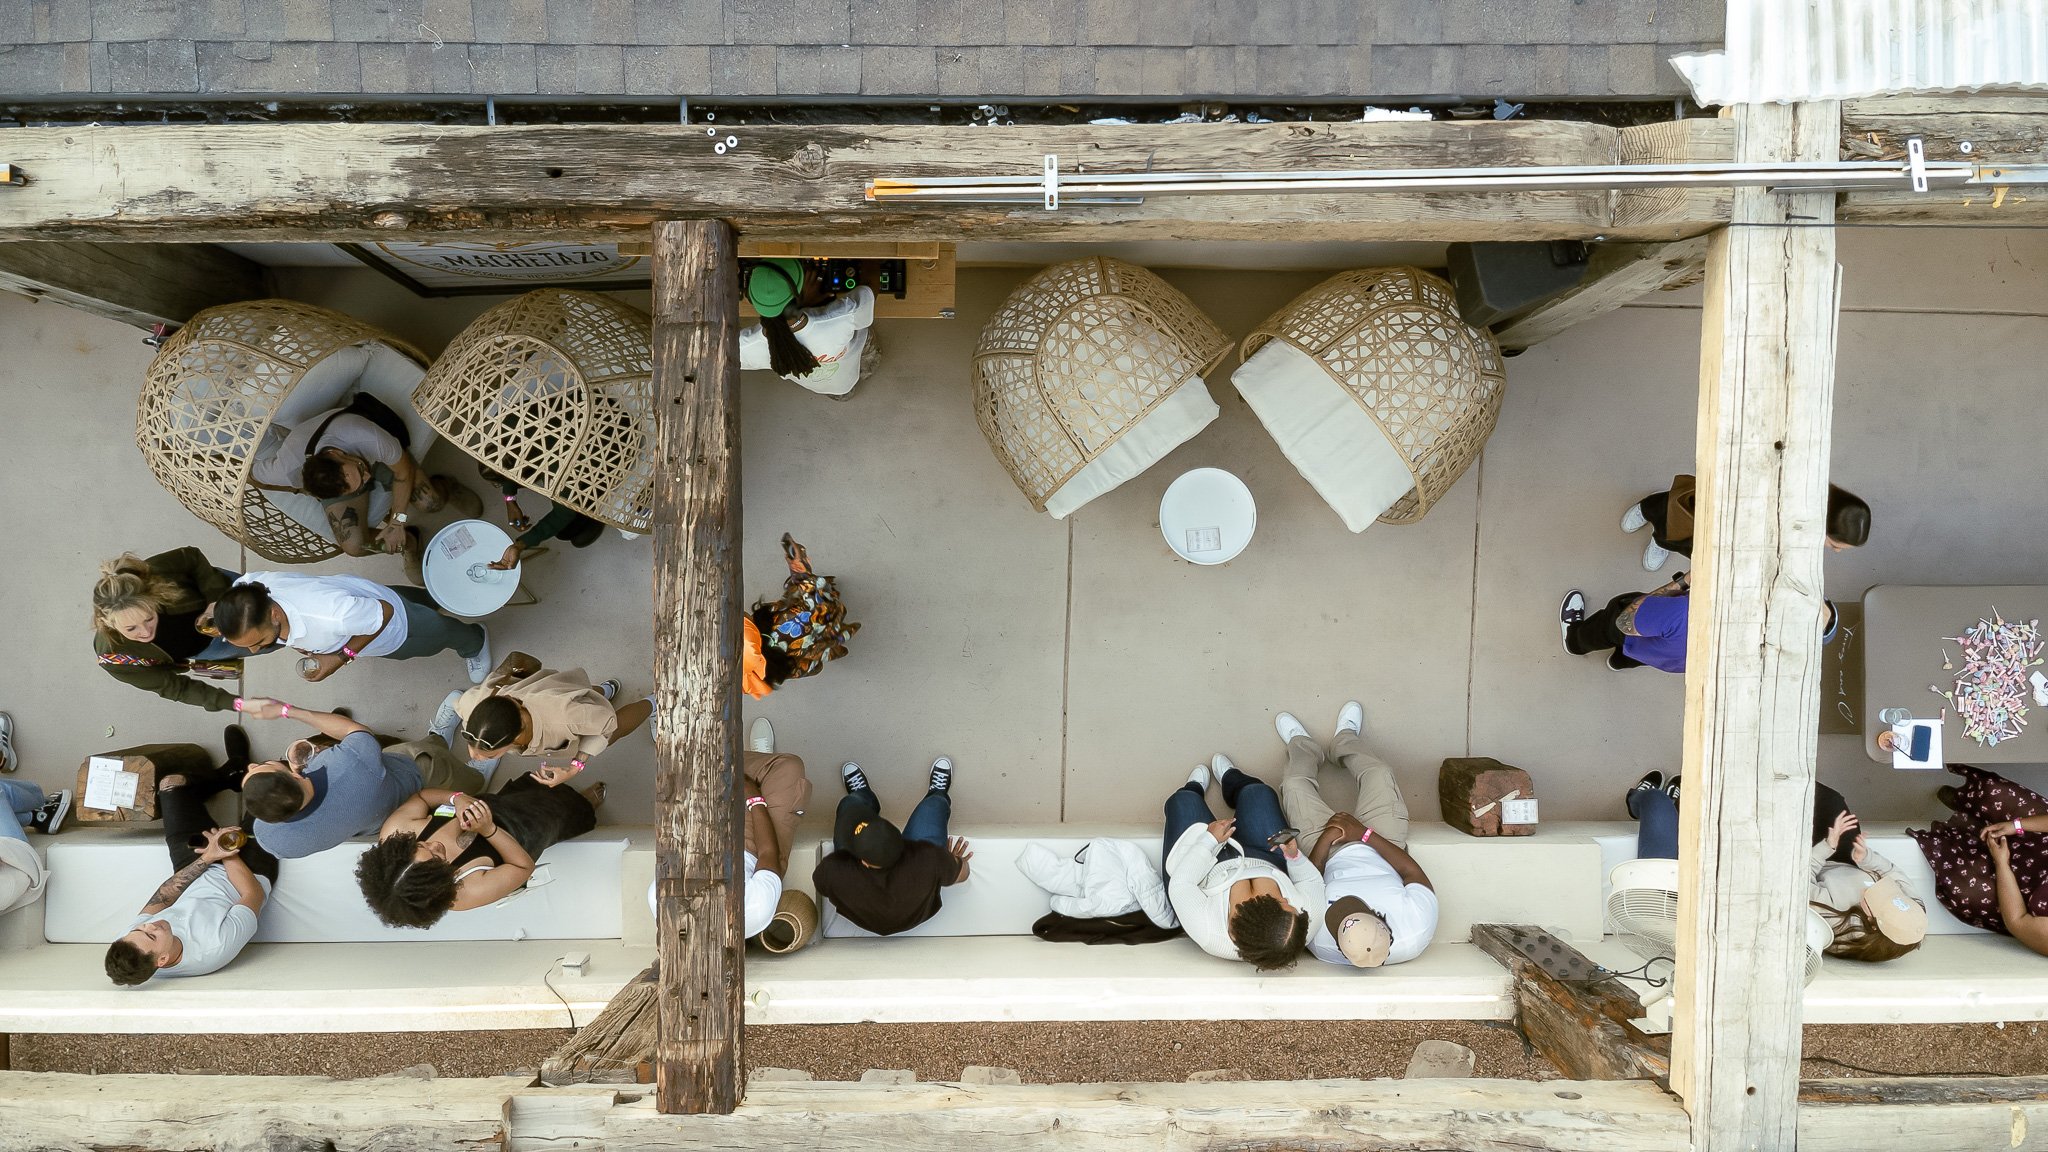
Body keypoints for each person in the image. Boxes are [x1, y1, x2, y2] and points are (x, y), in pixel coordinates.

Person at [1628, 773, 1927, 960]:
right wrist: (1867, 858)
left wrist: (1826, 848)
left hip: (1807, 869)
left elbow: (1797, 881)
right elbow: (1893, 875)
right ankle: (1763, 779)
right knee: (1832, 803)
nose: (1879, 889)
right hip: (1841, 861)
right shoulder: (1911, 911)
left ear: (1870, 920)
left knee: (1657, 804)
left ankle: (1645, 800)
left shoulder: (1834, 919)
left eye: (1875, 899)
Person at [104, 728, 277, 984]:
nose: (150, 925)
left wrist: (207, 858)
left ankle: (232, 773)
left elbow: (162, 898)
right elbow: (253, 896)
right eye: (151, 935)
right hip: (250, 873)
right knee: (272, 780)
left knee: (171, 784)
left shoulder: (131, 941)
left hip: (200, 866)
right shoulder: (212, 949)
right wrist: (225, 853)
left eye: (141, 928)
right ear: (161, 961)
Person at [1274, 703, 1438, 968]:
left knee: (1294, 786)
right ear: (1381, 917)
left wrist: (1327, 838)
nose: (1338, 914)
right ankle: (1345, 740)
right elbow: (1411, 872)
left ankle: (1302, 745)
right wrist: (1365, 834)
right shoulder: (1417, 928)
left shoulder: (1321, 943)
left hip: (1327, 852)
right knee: (1379, 774)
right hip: (1383, 846)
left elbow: (1310, 883)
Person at [355, 761, 605, 929]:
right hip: (522, 832)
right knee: (559, 813)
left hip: (493, 804)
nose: (436, 846)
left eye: (424, 845)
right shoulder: (463, 893)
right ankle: (584, 802)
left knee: (521, 792)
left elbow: (421, 797)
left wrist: (458, 799)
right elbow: (521, 867)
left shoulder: (396, 831)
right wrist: (489, 830)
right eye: (437, 859)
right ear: (439, 883)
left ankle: (551, 782)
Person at [234, 697, 486, 859]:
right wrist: (287, 710)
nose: (252, 764)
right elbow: (355, 731)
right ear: (296, 775)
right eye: (262, 766)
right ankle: (474, 768)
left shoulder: (273, 841)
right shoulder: (350, 762)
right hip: (415, 778)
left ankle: (441, 740)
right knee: (440, 763)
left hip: (376, 822)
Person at [248, 399, 480, 571]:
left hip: (380, 459)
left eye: (358, 470)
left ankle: (445, 486)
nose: (367, 478)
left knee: (430, 502)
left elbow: (402, 471)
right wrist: (294, 488)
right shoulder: (287, 468)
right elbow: (253, 475)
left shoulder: (363, 434)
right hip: (330, 477)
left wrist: (397, 521)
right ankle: (411, 544)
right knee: (354, 546)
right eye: (357, 483)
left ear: (337, 454)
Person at [1162, 753, 1324, 970]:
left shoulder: (1209, 932)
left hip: (1206, 870)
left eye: (1282, 903)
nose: (1291, 902)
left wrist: (1208, 841)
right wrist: (1294, 857)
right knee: (1259, 793)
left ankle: (1192, 789)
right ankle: (1233, 782)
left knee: (1183, 802)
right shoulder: (1300, 923)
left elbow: (1181, 885)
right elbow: (1312, 883)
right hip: (1266, 858)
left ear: (1253, 911)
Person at [213, 571, 491, 685]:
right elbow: (238, 587)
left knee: (437, 633)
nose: (254, 649)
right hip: (361, 595)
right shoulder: (248, 589)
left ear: (274, 614)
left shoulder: (332, 616)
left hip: (396, 627)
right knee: (415, 599)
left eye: (259, 641)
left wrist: (341, 656)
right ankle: (436, 599)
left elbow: (384, 612)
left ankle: (475, 640)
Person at [91, 549, 279, 710]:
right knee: (272, 641)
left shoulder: (150, 575)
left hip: (225, 596)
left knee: (278, 608)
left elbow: (192, 557)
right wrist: (237, 704)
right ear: (107, 622)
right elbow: (177, 688)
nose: (146, 632)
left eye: (149, 618)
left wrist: (215, 598)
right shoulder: (114, 658)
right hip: (208, 645)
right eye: (131, 629)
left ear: (152, 595)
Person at [811, 756, 969, 936]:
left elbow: (822, 885)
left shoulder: (836, 871)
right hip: (915, 915)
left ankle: (863, 796)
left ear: (863, 862)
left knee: (848, 804)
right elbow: (963, 874)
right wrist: (952, 860)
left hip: (871, 920)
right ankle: (937, 794)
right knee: (934, 805)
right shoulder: (929, 859)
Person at [1559, 574, 1837, 672]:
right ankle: (1619, 662)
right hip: (1672, 660)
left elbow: (1625, 621)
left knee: (1613, 622)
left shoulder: (1692, 613)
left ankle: (1574, 641)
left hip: (1638, 630)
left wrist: (1685, 581)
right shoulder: (1758, 656)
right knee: (1646, 652)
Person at [1909, 765, 2048, 955]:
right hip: (2041, 841)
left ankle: (1956, 828)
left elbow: (2017, 921)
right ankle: (1962, 799)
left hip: (2013, 890)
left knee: (1963, 890)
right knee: (1993, 791)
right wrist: (2017, 826)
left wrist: (2002, 863)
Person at [435, 652, 650, 774]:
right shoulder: (471, 706)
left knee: (615, 730)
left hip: (572, 715)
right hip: (552, 693)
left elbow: (607, 722)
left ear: (517, 733)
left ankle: (656, 703)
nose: (474, 756)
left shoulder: (565, 718)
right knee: (578, 692)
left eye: (487, 754)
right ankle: (605, 690)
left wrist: (575, 767)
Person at [1621, 477, 1871, 571]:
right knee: (1675, 511)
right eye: (1835, 544)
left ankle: (1663, 538)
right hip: (1719, 509)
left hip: (1725, 532)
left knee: (1685, 540)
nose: (1835, 551)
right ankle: (1648, 508)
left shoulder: (1805, 517)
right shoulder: (1786, 494)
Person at [740, 257, 880, 399]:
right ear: (799, 292)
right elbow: (870, 287)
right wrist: (809, 308)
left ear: (752, 299)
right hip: (848, 375)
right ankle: (856, 380)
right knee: (867, 356)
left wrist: (803, 306)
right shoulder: (841, 317)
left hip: (818, 385)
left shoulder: (748, 346)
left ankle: (841, 395)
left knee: (840, 392)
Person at [744, 533, 859, 698]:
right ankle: (803, 580)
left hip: (808, 639)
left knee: (819, 619)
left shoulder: (774, 670)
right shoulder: (761, 623)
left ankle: (805, 582)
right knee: (815, 607)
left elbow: (812, 668)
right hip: (797, 621)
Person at [742, 718, 812, 940]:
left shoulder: (662, 900)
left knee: (701, 763)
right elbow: (768, 853)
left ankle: (757, 764)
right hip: (756, 851)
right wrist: (753, 797)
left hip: (707, 836)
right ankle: (763, 766)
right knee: (789, 767)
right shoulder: (754, 910)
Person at [477, 460, 605, 572]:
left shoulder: (558, 481)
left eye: (500, 484)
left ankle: (598, 508)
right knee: (564, 533)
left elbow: (563, 515)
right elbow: (508, 461)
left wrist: (520, 545)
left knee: (573, 537)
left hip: (602, 469)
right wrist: (509, 498)